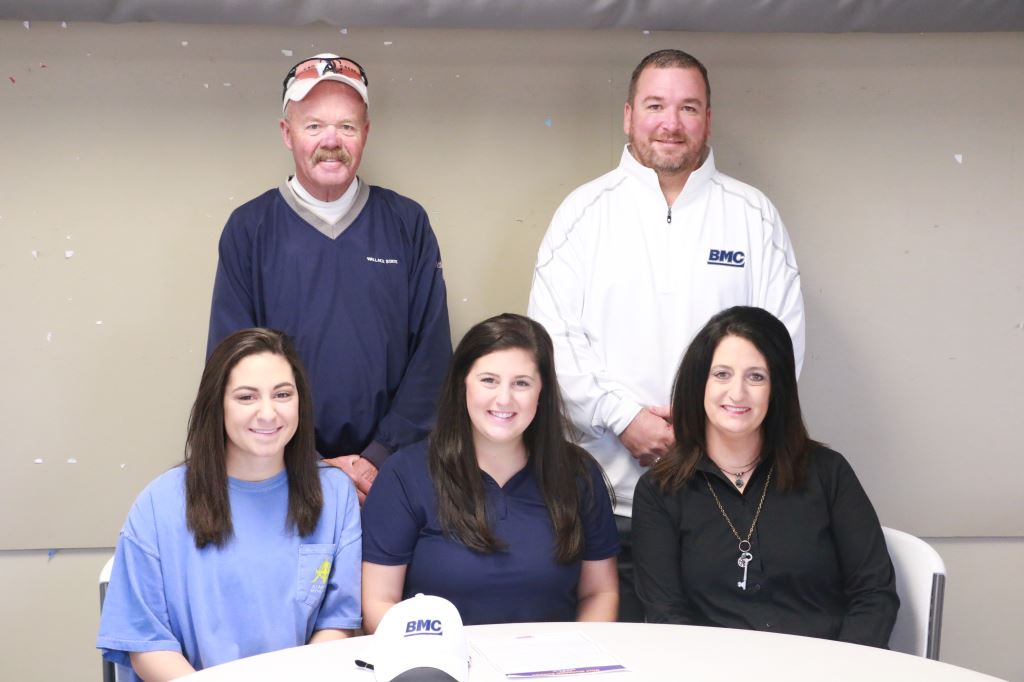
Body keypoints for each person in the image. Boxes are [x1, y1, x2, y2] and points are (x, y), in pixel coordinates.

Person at [527, 48, 805, 621]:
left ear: (709, 118)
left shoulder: (753, 216)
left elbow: (782, 350)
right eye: (656, 105)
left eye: (688, 107)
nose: (671, 123)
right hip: (606, 504)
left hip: (725, 501)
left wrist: (709, 430)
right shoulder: (584, 214)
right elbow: (550, 344)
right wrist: (624, 418)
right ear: (628, 115)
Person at [207, 54, 451, 503]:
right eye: (314, 125)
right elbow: (231, 368)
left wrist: (377, 457)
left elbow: (432, 359)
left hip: (391, 478)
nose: (331, 141)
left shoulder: (407, 224)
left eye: (347, 126)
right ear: (287, 133)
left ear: (366, 133)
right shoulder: (249, 229)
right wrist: (310, 463)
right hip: (281, 476)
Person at [97, 329, 361, 680]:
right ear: (217, 404)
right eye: (246, 397)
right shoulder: (158, 504)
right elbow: (147, 644)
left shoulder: (335, 495)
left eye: (282, 394)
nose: (268, 413)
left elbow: (337, 626)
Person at [632, 306, 897, 646]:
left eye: (756, 376)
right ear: (699, 383)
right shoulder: (659, 491)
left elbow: (874, 594)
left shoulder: (828, 473)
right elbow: (666, 616)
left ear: (777, 388)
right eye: (722, 374)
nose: (737, 393)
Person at [360, 314, 619, 630]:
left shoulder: (578, 474)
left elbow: (599, 592)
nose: (504, 399)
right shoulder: (405, 475)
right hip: (441, 669)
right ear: (462, 383)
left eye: (521, 383)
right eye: (489, 380)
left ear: (542, 391)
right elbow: (378, 601)